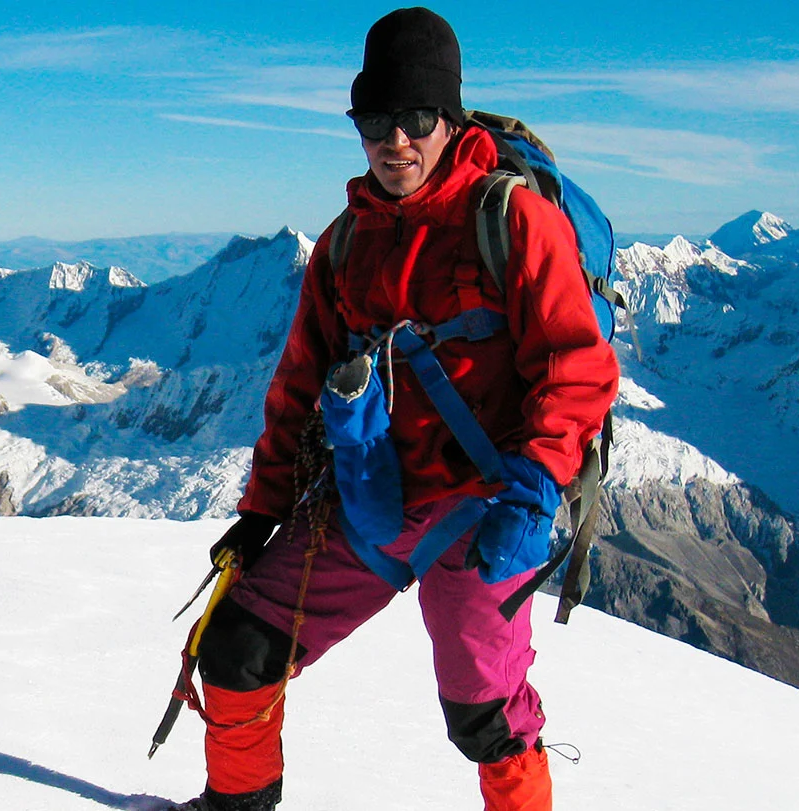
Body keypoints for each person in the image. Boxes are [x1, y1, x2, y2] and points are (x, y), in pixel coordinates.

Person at [171, 8, 619, 811]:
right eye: (376, 119)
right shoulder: (344, 245)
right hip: (372, 498)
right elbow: (299, 386)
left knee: (486, 714)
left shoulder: (511, 220)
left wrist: (536, 485)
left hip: (486, 506)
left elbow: (577, 366)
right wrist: (262, 509)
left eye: (416, 118)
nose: (396, 140)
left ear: (448, 117)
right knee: (238, 645)